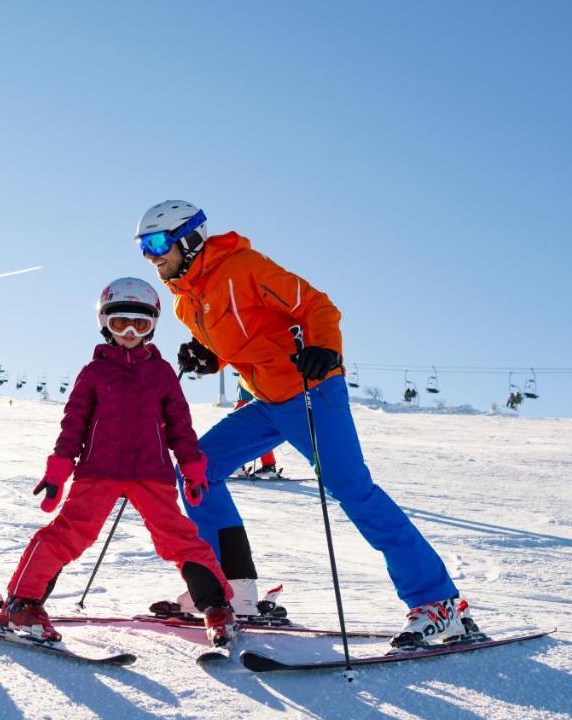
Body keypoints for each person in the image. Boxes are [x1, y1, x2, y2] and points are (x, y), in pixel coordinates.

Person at [134, 200, 479, 648]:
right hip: (267, 402)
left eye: (158, 243)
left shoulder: (245, 267)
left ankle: (439, 603)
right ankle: (233, 589)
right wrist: (208, 357)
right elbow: (244, 337)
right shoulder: (185, 302)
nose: (152, 255)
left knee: (352, 489)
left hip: (312, 390)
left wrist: (324, 348)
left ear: (190, 238)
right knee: (197, 468)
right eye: (143, 247)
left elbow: (317, 307)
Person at [0, 278, 238, 647]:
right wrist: (58, 470)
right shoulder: (94, 373)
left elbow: (181, 425)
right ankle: (23, 602)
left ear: (152, 327)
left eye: (140, 324)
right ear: (105, 325)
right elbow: (73, 426)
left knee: (179, 538)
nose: (130, 332)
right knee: (68, 534)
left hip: (152, 472)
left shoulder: (162, 373)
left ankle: (216, 608)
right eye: (120, 324)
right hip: (99, 470)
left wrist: (192, 466)